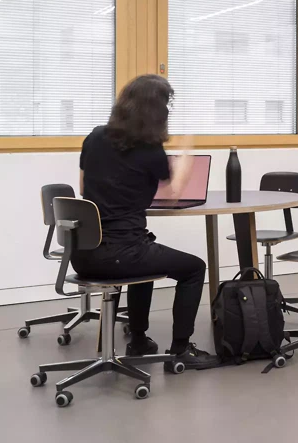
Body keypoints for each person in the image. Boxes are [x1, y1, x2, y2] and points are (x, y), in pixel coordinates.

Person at [74, 74, 220, 369]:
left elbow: (82, 187)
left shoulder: (95, 136)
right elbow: (175, 193)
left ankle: (139, 340)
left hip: (82, 254)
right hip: (120, 255)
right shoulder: (149, 149)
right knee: (194, 268)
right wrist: (187, 154)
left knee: (147, 251)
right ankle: (181, 350)